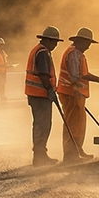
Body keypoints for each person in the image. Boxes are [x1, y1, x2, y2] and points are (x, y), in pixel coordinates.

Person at [56, 27, 99, 163]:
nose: (89, 46)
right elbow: (76, 76)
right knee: (72, 124)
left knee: (79, 124)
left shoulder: (77, 53)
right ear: (81, 41)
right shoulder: (74, 54)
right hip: (71, 94)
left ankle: (77, 150)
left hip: (75, 95)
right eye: (88, 43)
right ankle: (70, 155)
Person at [25, 26, 61, 166]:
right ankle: (39, 156)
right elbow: (44, 75)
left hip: (36, 95)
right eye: (55, 42)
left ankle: (40, 154)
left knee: (40, 124)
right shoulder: (42, 53)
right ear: (48, 40)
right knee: (43, 124)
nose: (56, 45)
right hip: (40, 95)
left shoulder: (39, 50)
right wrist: (50, 90)